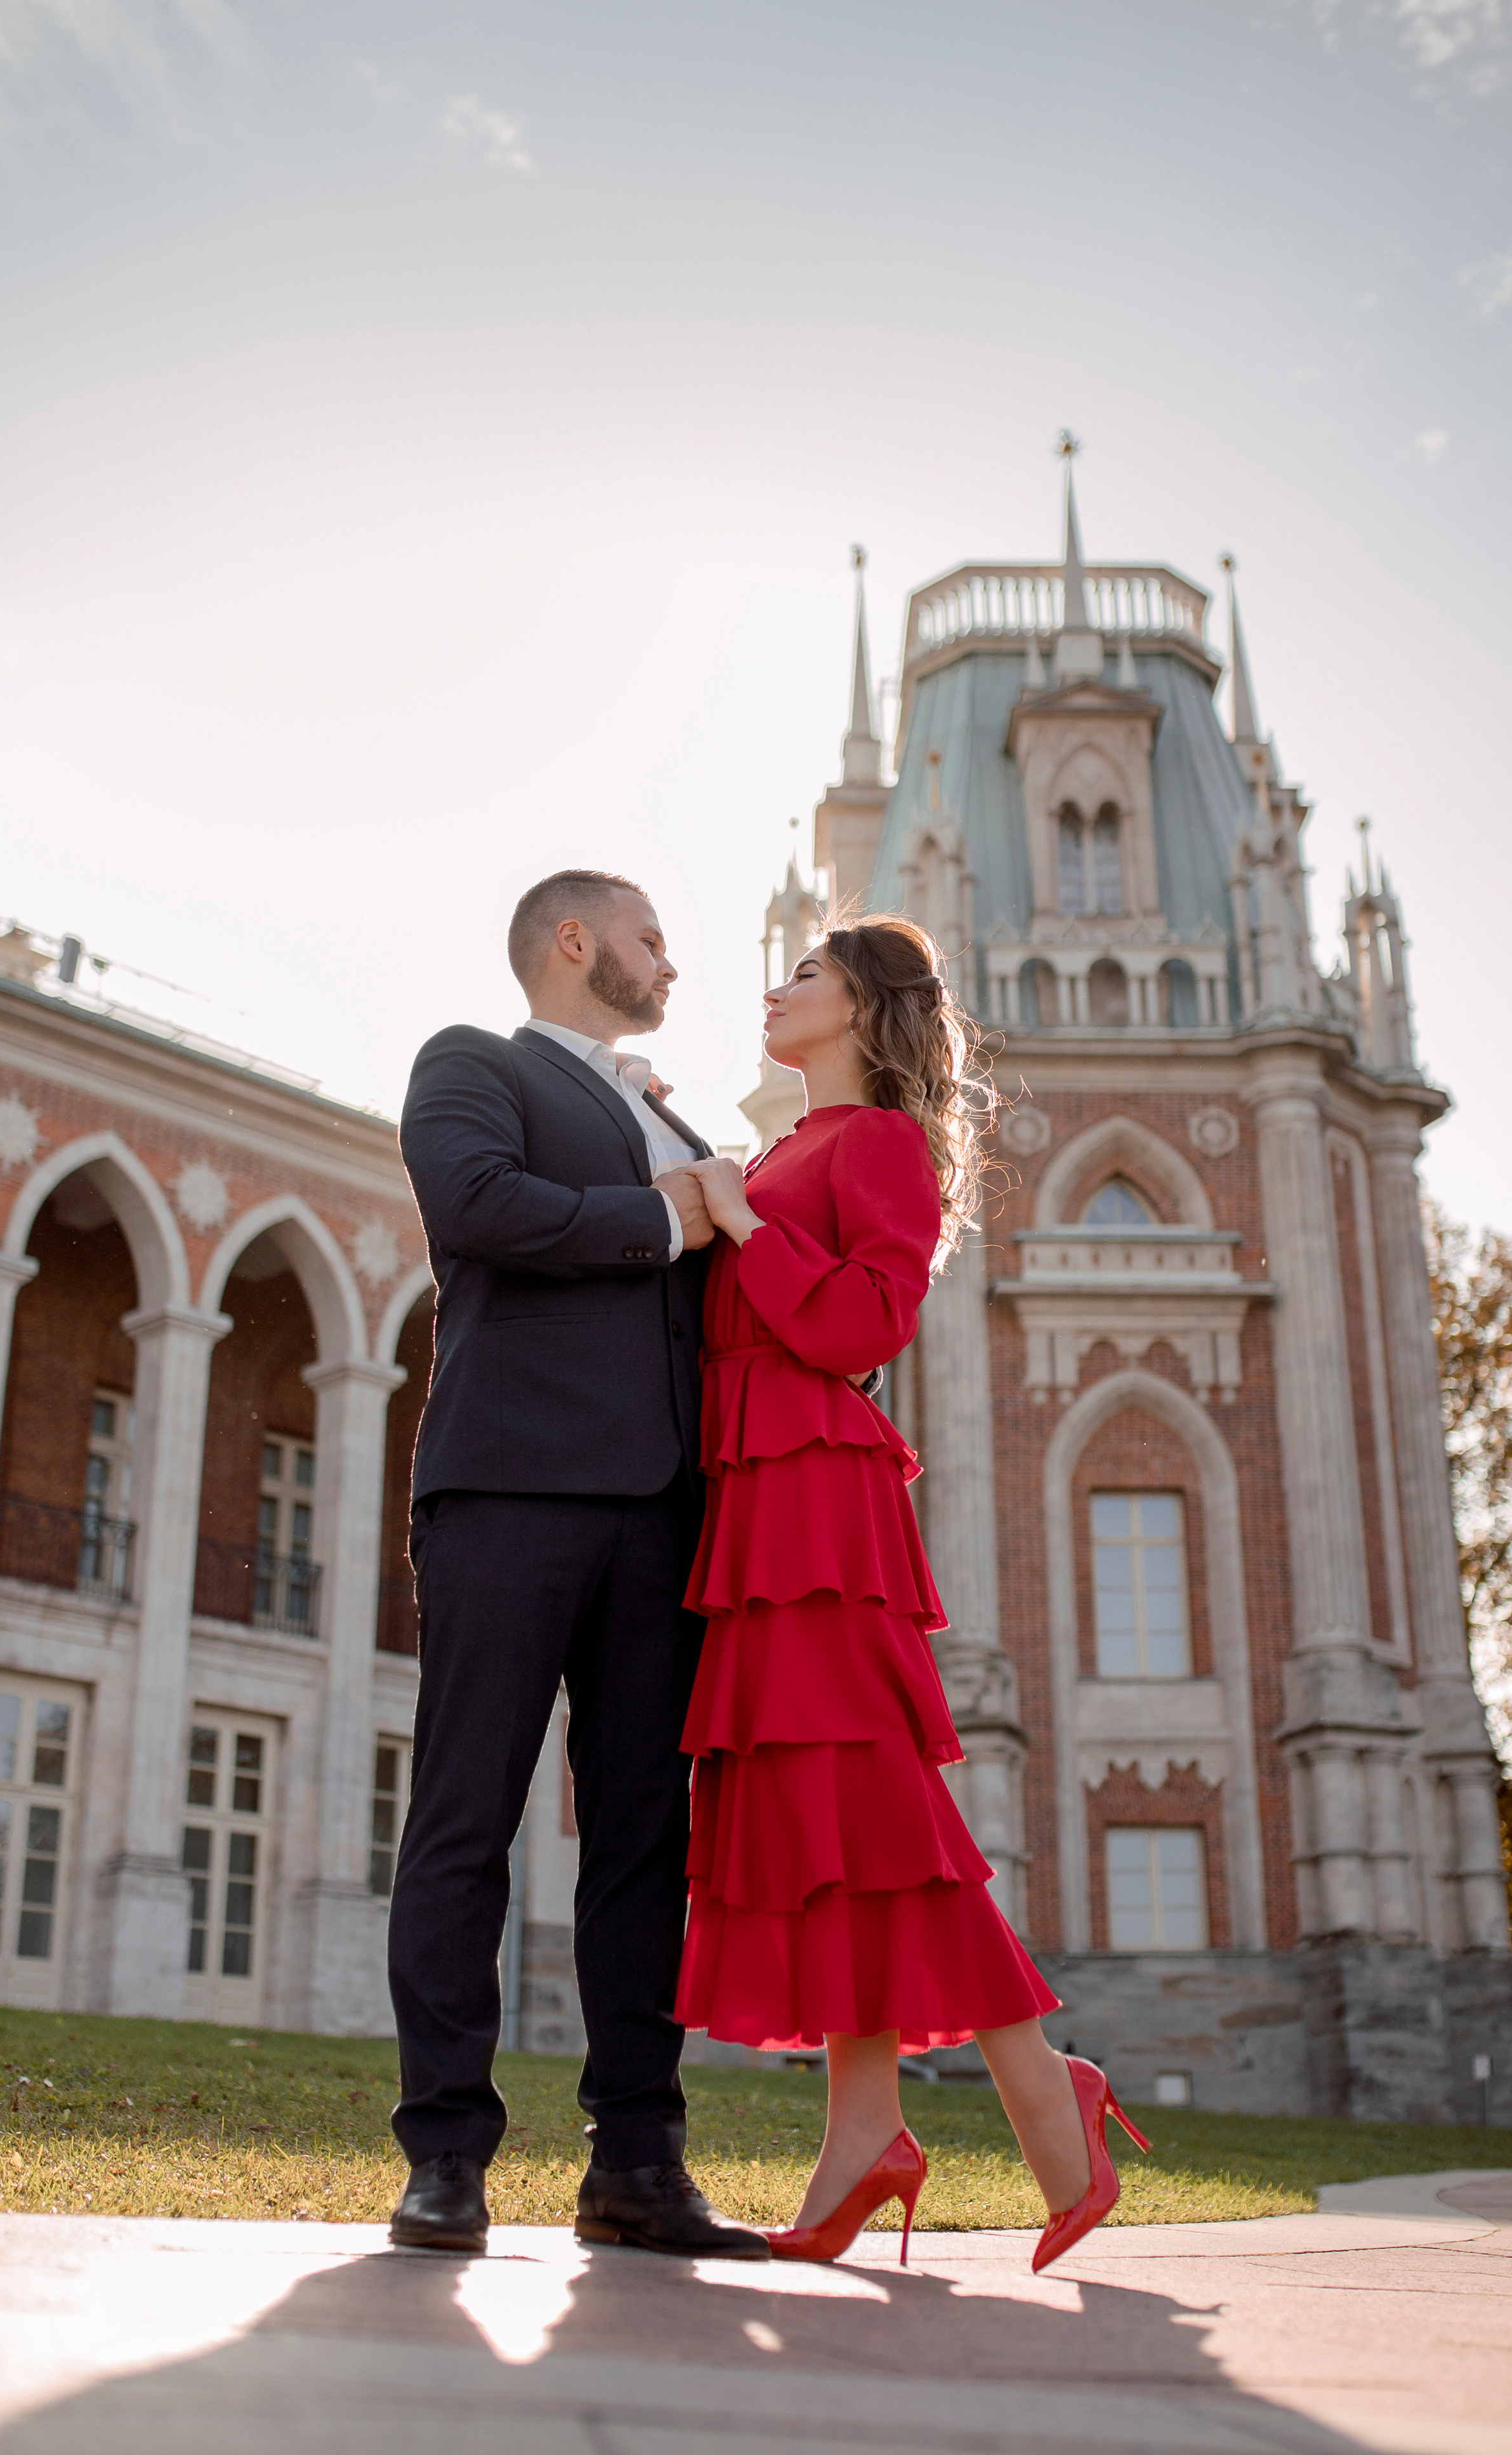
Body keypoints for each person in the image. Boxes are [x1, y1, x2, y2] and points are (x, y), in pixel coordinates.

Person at [674, 913, 1151, 2271]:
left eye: (805, 975)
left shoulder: (879, 1143)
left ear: (864, 1008)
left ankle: (1039, 2092)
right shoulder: (784, 1150)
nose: (775, 989)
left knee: (875, 1812)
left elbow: (859, 1328)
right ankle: (868, 2130)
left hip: (816, 1503)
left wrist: (735, 1219)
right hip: (753, 1498)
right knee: (825, 1825)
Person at [387, 868, 769, 2261]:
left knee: (644, 1843)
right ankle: (444, 2155)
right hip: (507, 1492)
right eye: (648, 938)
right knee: (464, 1819)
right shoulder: (472, 1066)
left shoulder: (681, 1124)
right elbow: (479, 1207)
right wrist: (671, 1217)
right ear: (572, 942)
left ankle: (638, 2165)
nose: (670, 962)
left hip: (662, 1518)